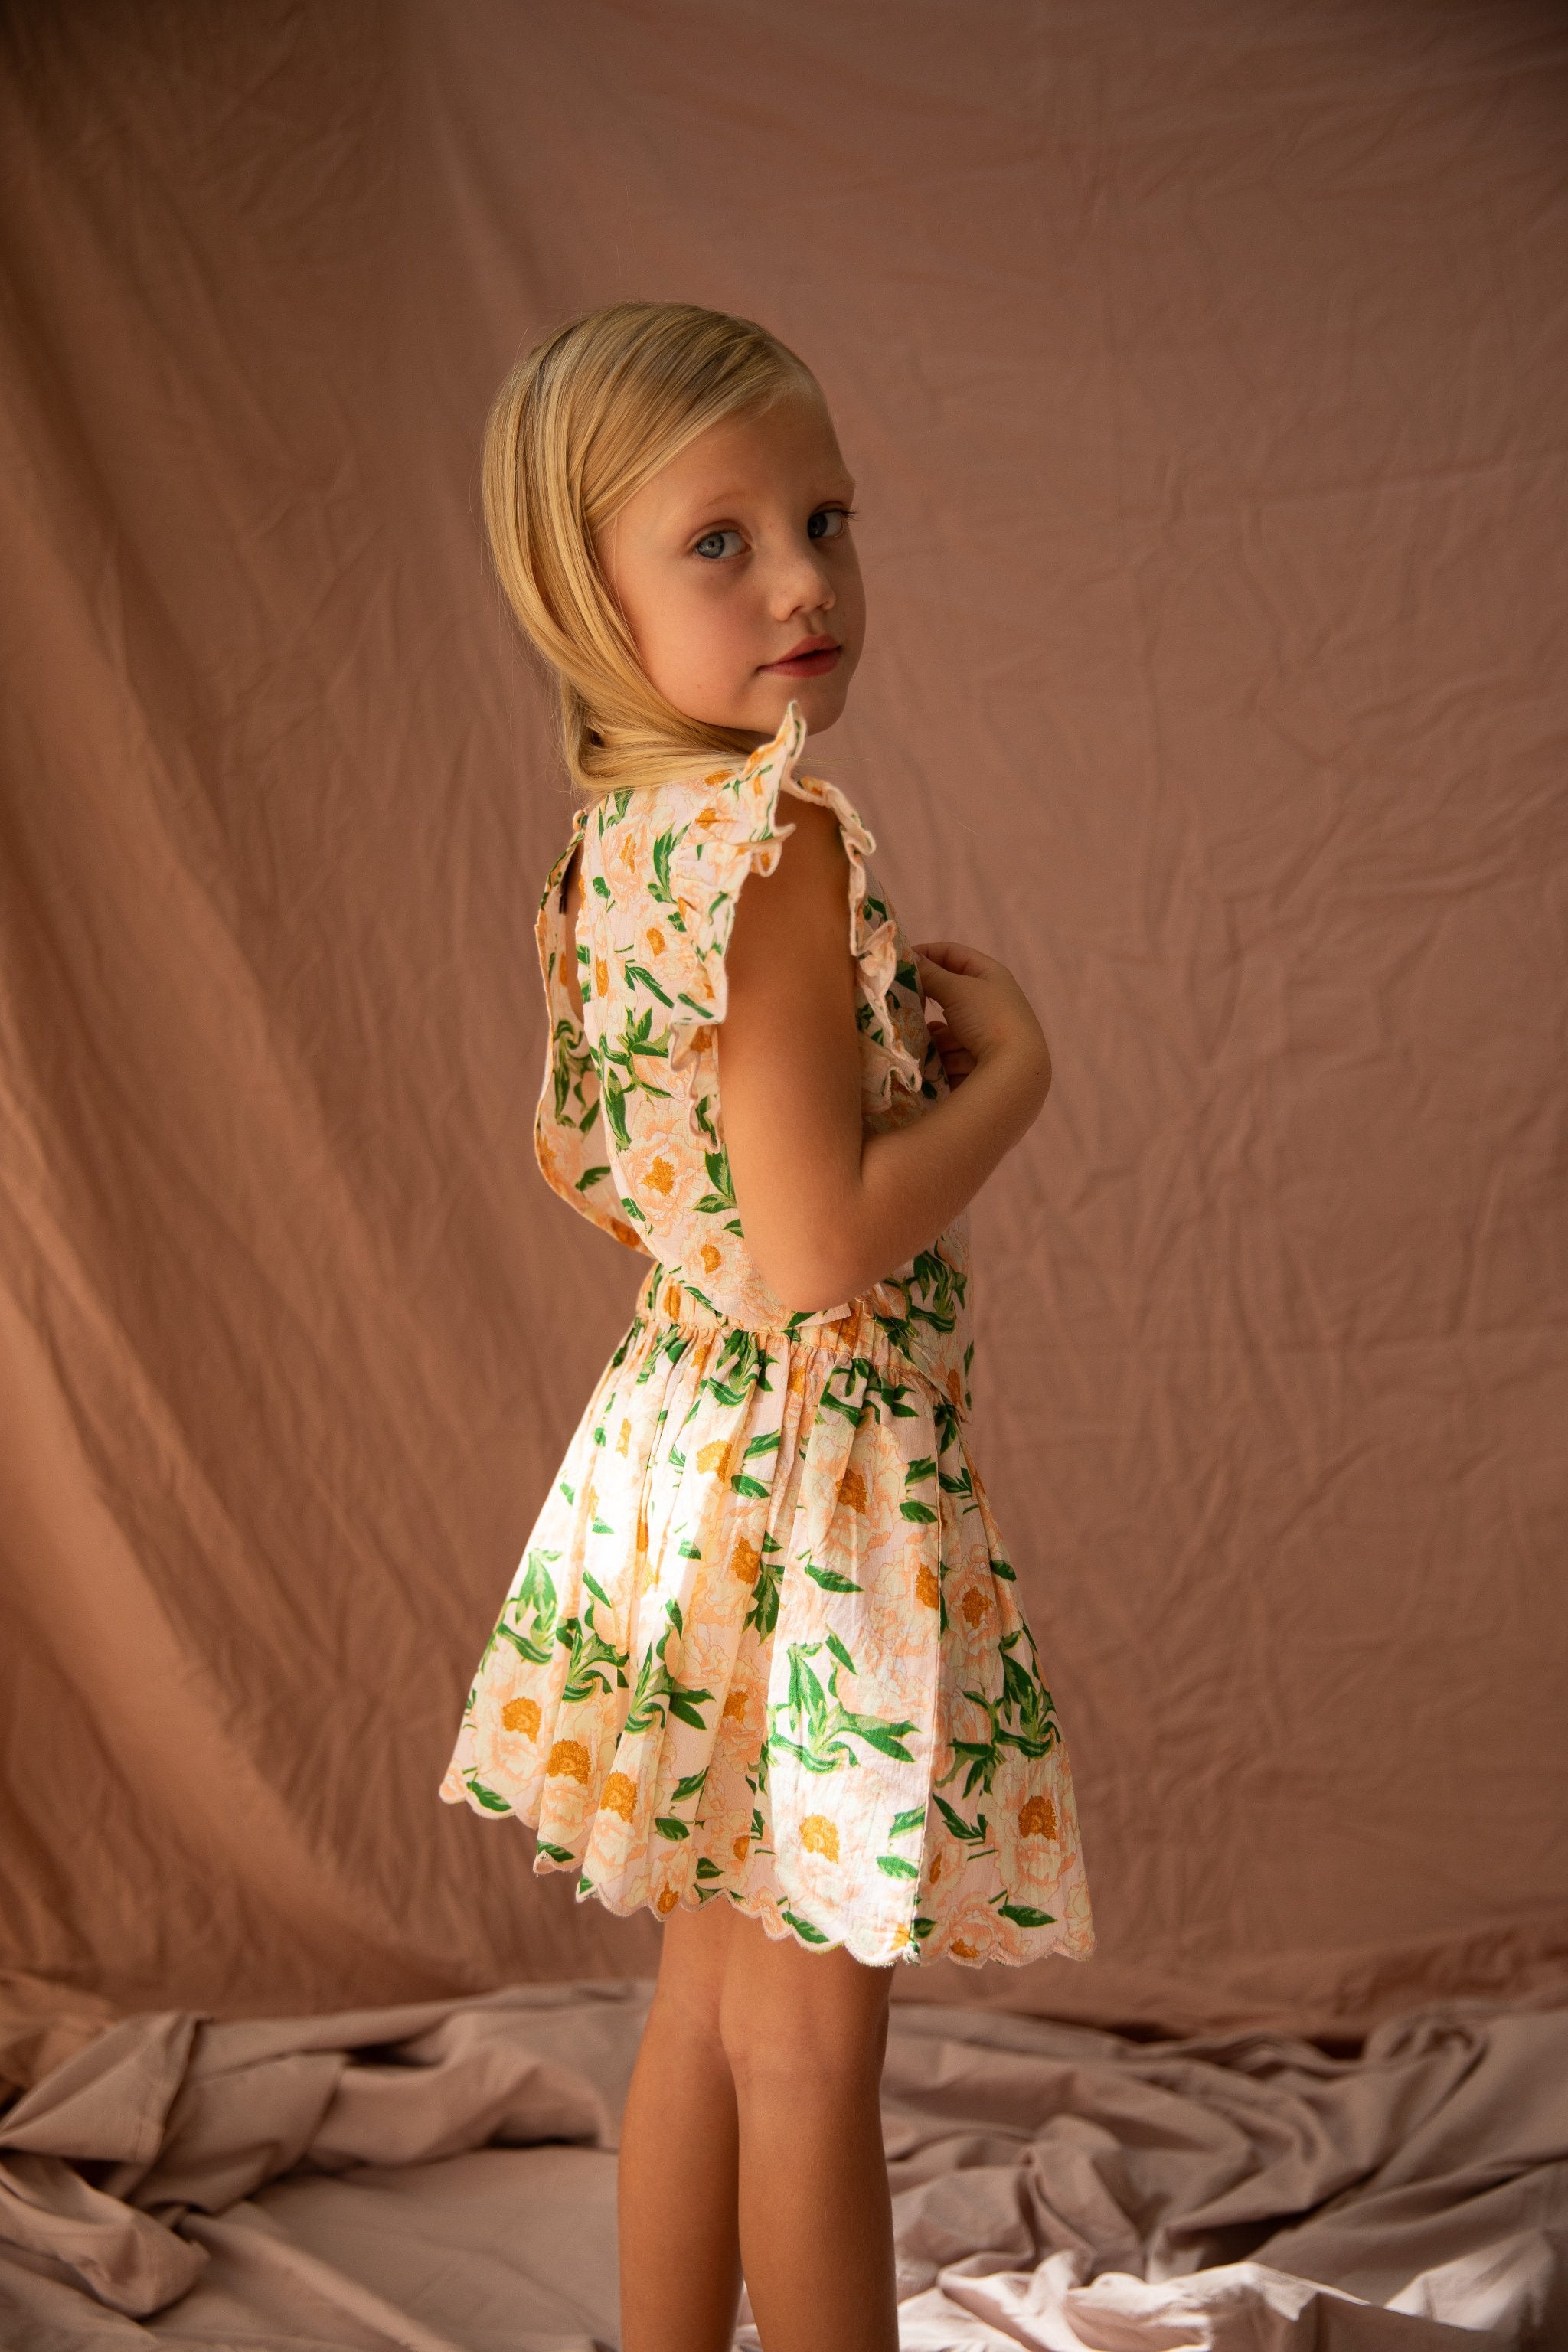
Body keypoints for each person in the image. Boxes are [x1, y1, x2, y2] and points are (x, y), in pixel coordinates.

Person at [440, 300, 1094, 2352]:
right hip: (808, 1510)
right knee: (809, 2063)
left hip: (681, 1466)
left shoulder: (617, 849)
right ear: (587, 589)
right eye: (718, 542)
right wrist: (1013, 1084)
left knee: (709, 2029)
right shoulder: (777, 844)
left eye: (822, 516)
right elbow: (819, 1248)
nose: (802, 578)